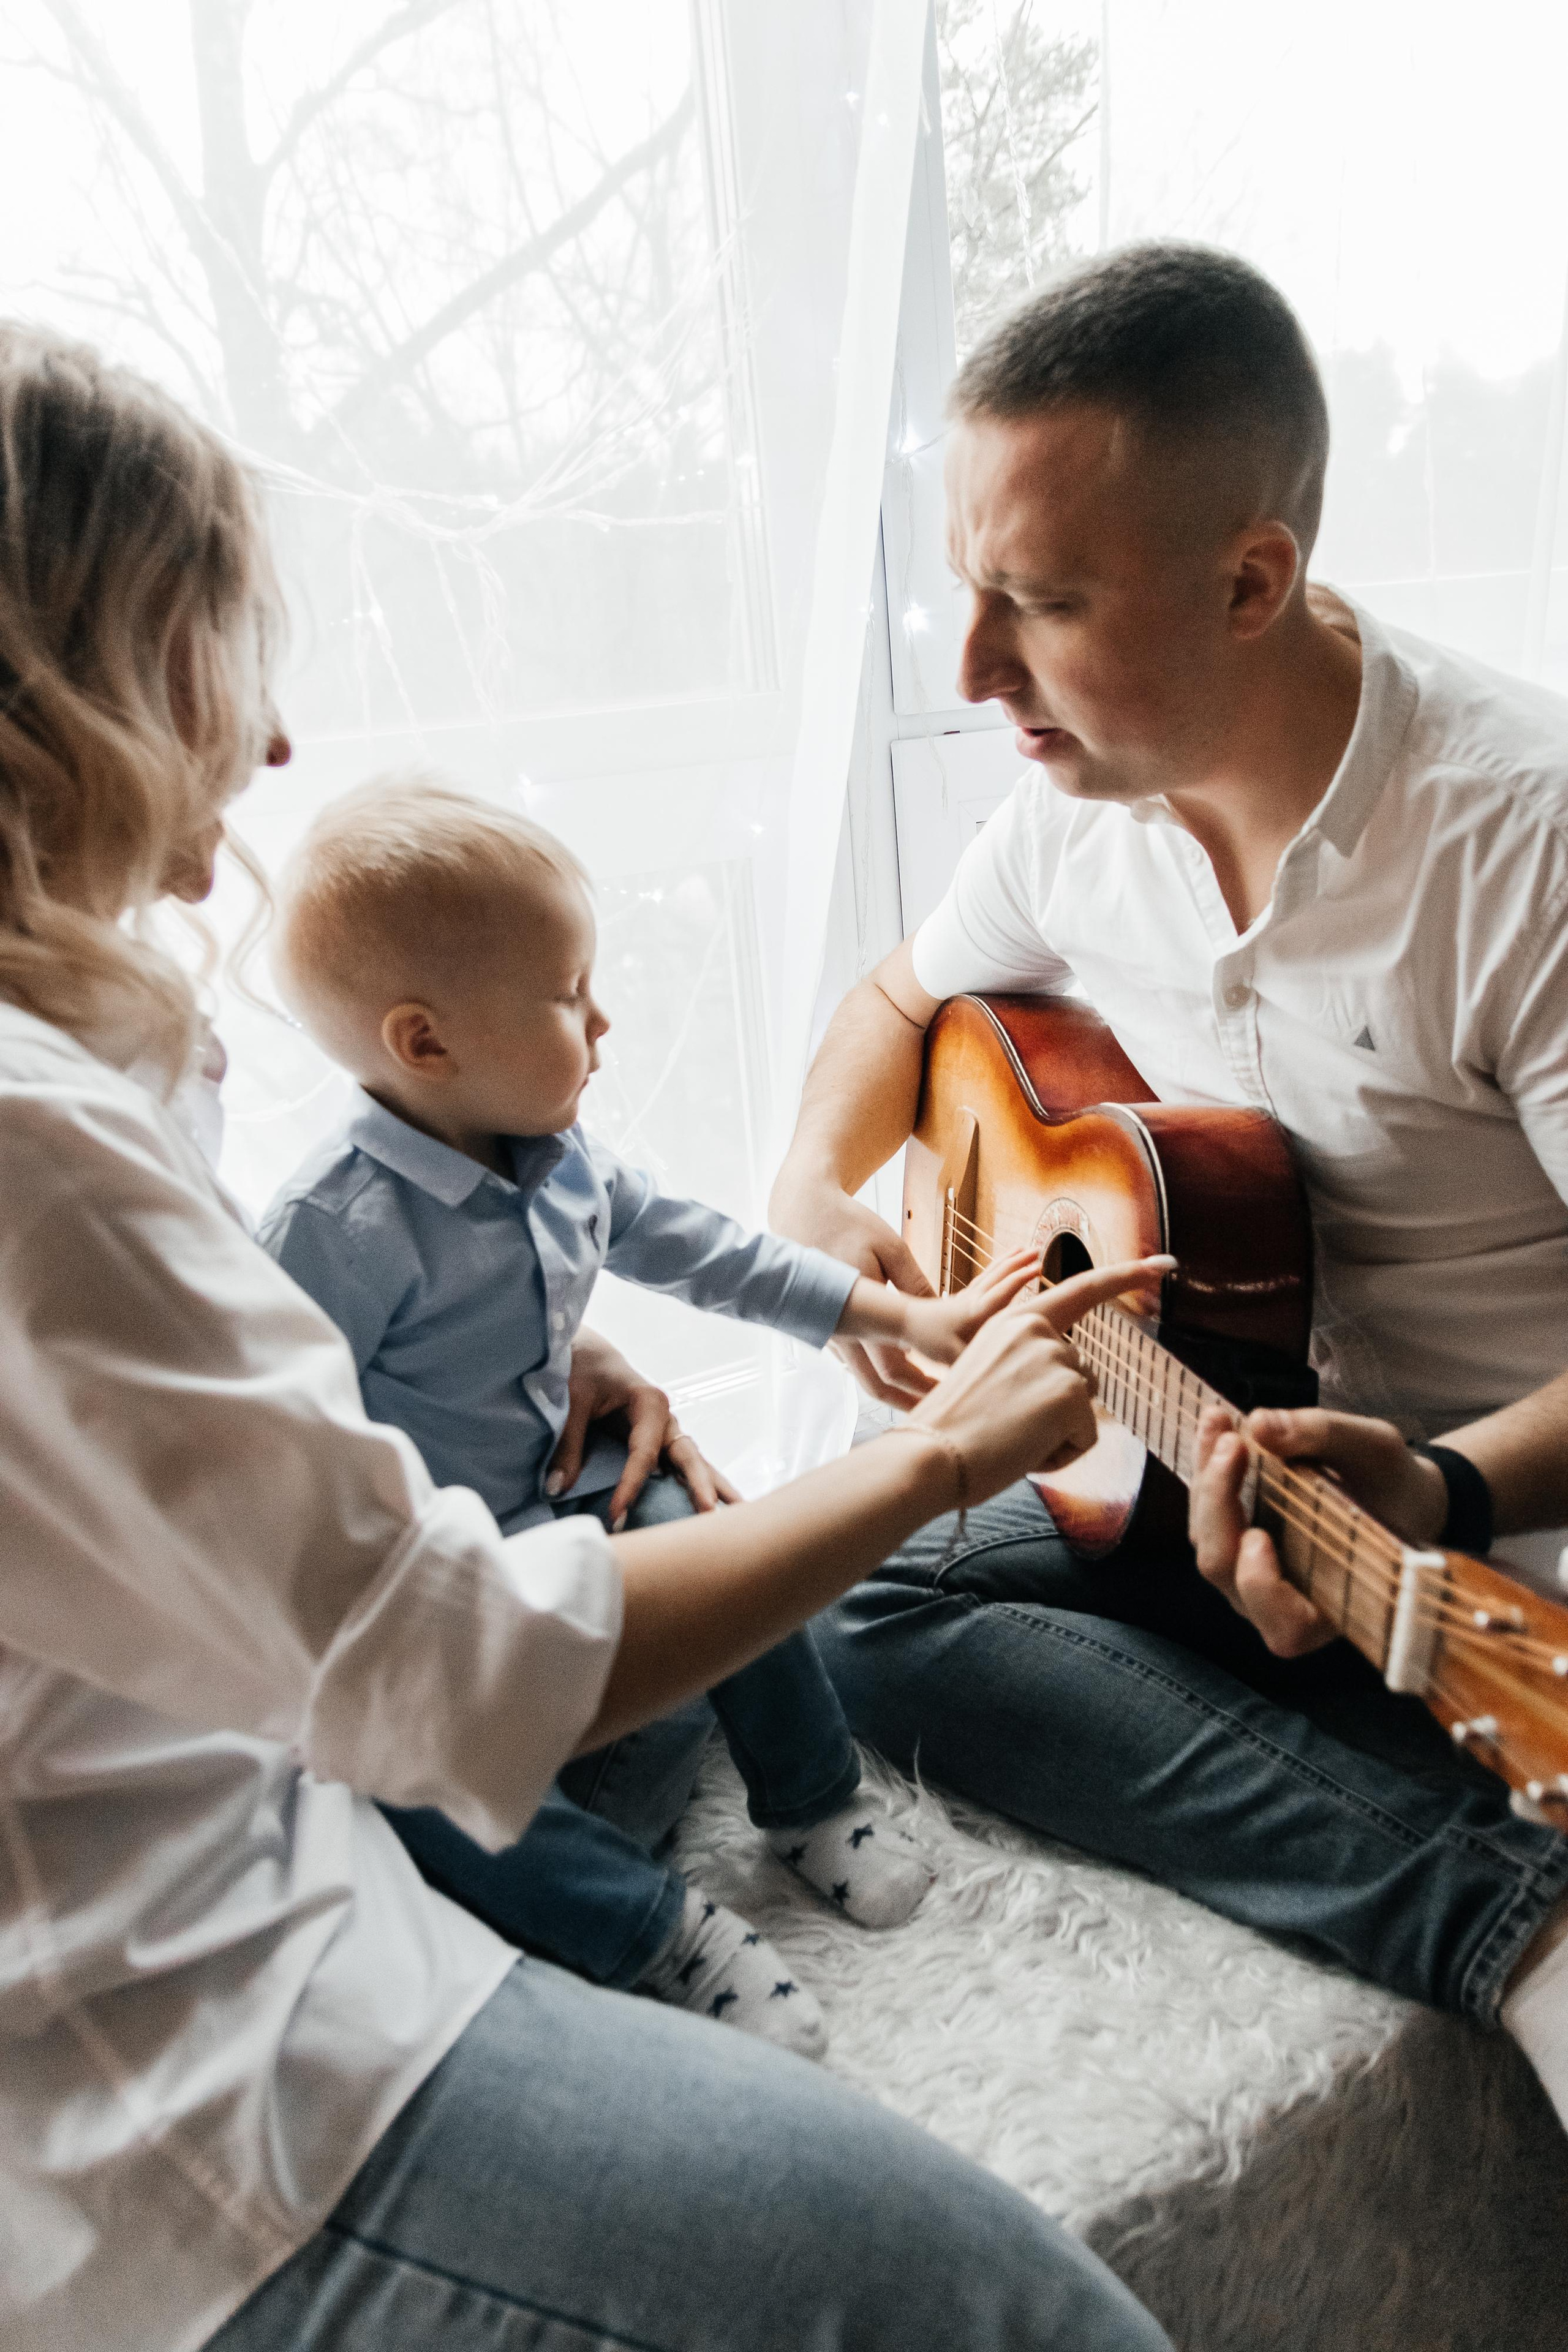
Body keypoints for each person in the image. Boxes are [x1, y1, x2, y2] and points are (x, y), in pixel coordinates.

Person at [0, 321, 1177, 2352]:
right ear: (56, 686)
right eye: (208, 650)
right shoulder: (56, 1141)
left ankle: (812, 1810)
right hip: (201, 2074)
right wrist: (931, 1456)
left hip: (241, 1861)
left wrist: (616, 1344)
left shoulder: (99, 1085)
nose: (269, 748)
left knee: (870, 1620)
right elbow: (439, 1669)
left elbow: (677, 1238)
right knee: (1021, 2313)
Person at [768, 241, 1568, 2130]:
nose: (971, 670)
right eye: (970, 588)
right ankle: (1502, 1900)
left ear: (1253, 581)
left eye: (1037, 603)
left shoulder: (1520, 845)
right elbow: (901, 1000)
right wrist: (814, 1187)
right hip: (1238, 1474)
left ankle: (1523, 1931)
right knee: (852, 1595)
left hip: (1506, 1532)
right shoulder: (1076, 810)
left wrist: (1447, 1483)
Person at [257, 777, 1039, 2056]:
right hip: (436, 1578)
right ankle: (657, 1931)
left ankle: (811, 1798)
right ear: (426, 1044)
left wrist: (899, 1322)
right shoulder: (325, 1232)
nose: (606, 1021)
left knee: (702, 1519)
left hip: (556, 1494)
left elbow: (712, 1255)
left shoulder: (563, 1156)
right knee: (404, 1780)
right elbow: (283, 1467)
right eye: (570, 996)